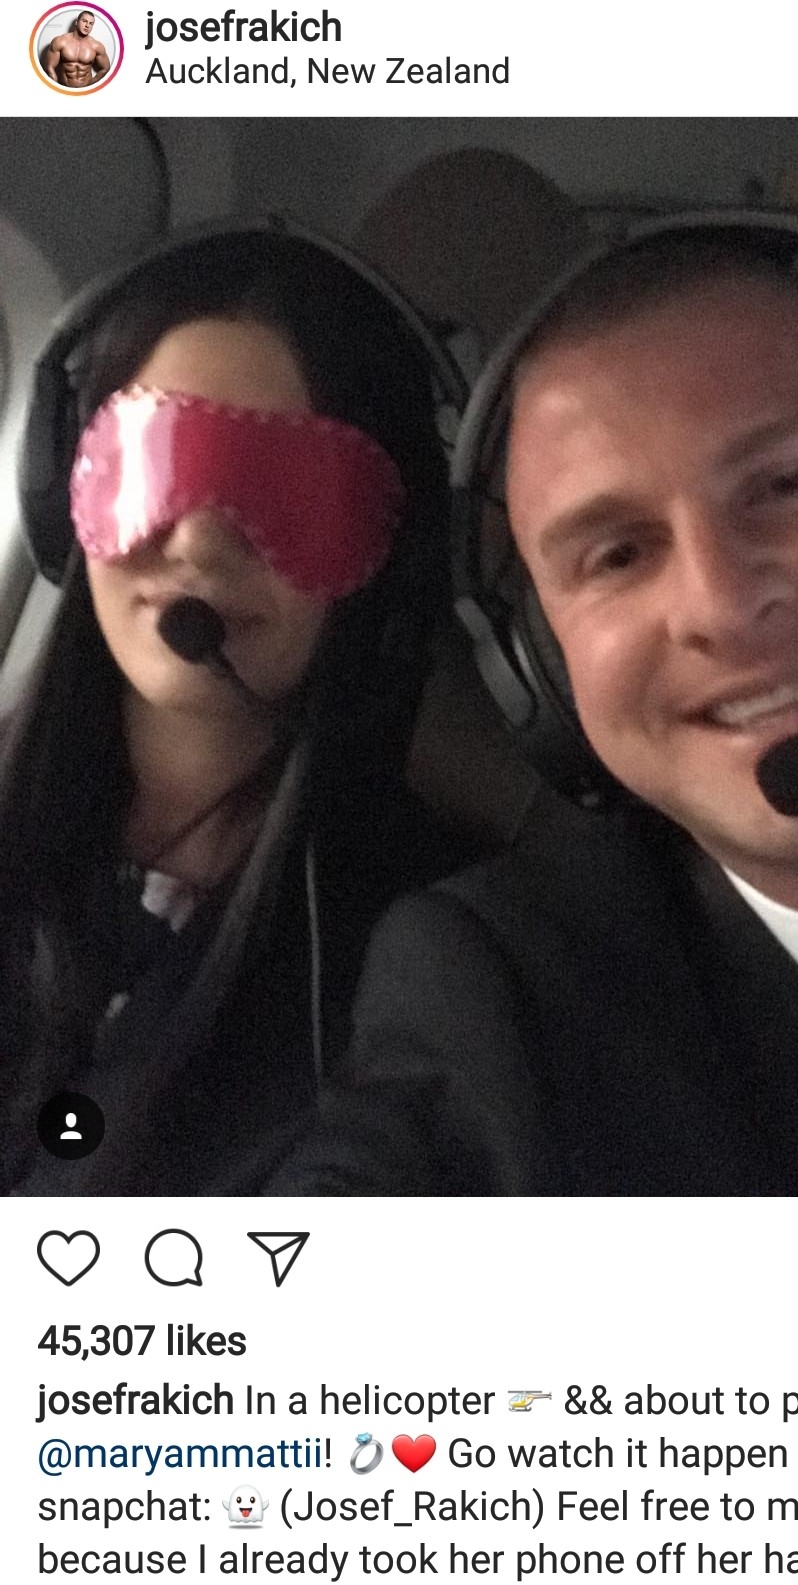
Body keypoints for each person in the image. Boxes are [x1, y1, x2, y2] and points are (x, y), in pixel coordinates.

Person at [274, 218, 798, 1197]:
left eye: (790, 484)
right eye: (617, 554)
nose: (721, 606)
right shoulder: (498, 1003)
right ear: (541, 670)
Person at [0, 223, 459, 1194]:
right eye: (156, 463)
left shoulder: (432, 954)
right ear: (61, 484)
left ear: (390, 558)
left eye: (288, 495)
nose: (201, 545)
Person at [43, 11, 111, 86]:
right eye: (84, 21)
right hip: (65, 88)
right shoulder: (60, 41)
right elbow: (49, 67)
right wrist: (55, 85)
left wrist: (91, 83)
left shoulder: (97, 46)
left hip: (86, 89)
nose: (87, 25)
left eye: (91, 23)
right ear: (76, 22)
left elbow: (106, 68)